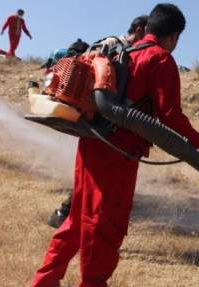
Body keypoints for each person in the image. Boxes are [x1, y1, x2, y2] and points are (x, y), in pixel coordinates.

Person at [26, 3, 199, 287]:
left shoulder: (121, 53)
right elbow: (170, 116)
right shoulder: (160, 58)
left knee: (76, 220)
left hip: (91, 143)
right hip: (118, 153)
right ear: (174, 36)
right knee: (105, 226)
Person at [46, 15, 148, 229]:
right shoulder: (113, 45)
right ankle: (67, 216)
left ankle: (66, 216)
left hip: (104, 121)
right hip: (98, 121)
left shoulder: (124, 49)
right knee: (91, 177)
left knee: (91, 177)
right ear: (139, 29)